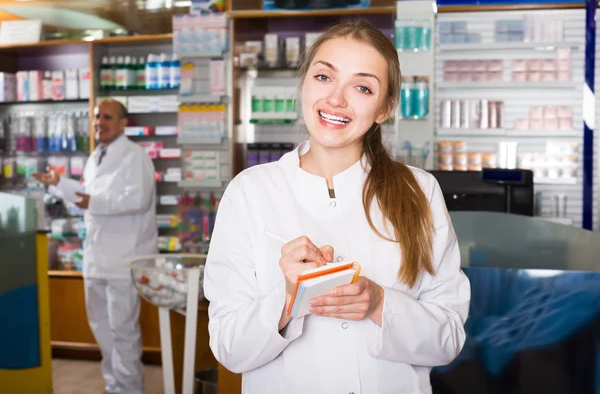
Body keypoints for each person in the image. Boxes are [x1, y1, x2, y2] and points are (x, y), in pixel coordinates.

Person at [203, 20, 471, 393]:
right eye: (324, 77)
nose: (336, 99)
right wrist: (287, 298)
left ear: (385, 108)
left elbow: (449, 338)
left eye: (362, 87)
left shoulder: (419, 191)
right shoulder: (250, 192)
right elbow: (228, 348)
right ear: (303, 83)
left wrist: (380, 304)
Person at [33, 99, 157, 394]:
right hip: (96, 258)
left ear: (123, 122)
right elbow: (86, 196)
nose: (99, 122)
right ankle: (113, 385)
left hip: (124, 258)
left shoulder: (135, 156)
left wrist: (90, 201)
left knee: (123, 331)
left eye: (107, 117)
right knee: (101, 328)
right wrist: (60, 184)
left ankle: (129, 389)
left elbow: (137, 200)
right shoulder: (95, 156)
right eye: (96, 116)